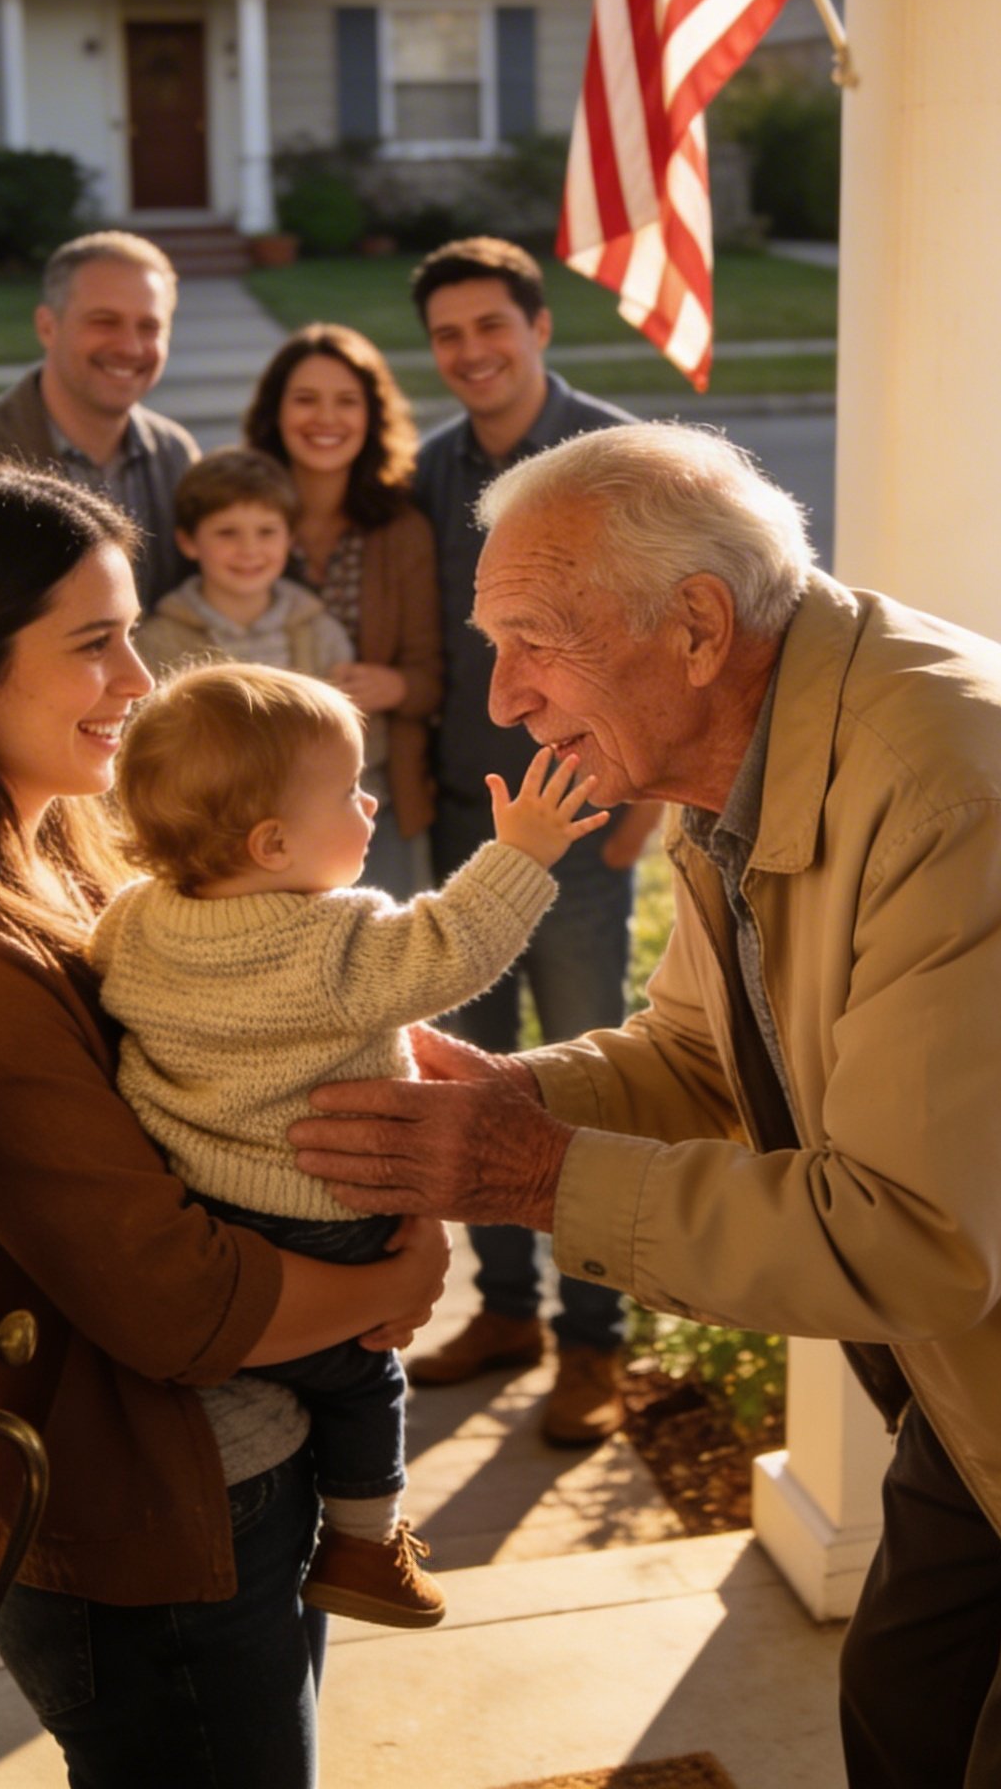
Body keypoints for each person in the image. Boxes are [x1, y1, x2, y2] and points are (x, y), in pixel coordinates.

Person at [289, 423, 1001, 1789]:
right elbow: (707, 1059)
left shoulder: (956, 789)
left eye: (536, 640)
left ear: (701, 627)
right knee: (901, 1716)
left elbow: (912, 1237)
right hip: (987, 1393)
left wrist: (530, 1175)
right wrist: (504, 1099)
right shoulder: (738, 752)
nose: (507, 697)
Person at [0, 459, 448, 1789]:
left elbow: (227, 1040)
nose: (138, 685)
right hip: (155, 1520)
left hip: (243, 1478)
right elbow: (174, 1301)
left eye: (132, 640)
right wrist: (396, 1273)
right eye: (94, 646)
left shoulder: (66, 856)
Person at [92, 660, 605, 1630]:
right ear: (273, 841)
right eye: (347, 790)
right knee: (364, 1372)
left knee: (299, 1363)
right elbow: (455, 945)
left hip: (203, 1199)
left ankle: (262, 1377)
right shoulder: (333, 944)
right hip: (326, 1209)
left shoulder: (132, 921)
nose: (368, 804)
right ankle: (366, 1544)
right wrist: (522, 853)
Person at [405, 238, 661, 1447]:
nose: (470, 352)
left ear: (540, 326)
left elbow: (671, 638)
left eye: (489, 326)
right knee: (470, 1078)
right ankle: (504, 1308)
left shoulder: (613, 463)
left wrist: (640, 815)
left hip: (584, 826)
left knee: (584, 1083)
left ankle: (592, 1344)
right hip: (468, 823)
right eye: (448, 334)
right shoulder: (432, 471)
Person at [243, 324, 441, 902]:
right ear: (275, 413)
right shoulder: (240, 516)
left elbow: (433, 678)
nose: (325, 418)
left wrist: (395, 685)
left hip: (374, 789)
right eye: (305, 399)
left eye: (346, 401)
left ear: (372, 417)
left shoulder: (402, 531)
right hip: (258, 794)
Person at [0, 231, 197, 607]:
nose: (130, 347)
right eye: (105, 321)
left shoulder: (174, 455)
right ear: (47, 327)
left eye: (149, 327)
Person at [133, 447, 352, 684]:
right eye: (227, 533)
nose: (249, 549)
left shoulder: (323, 634)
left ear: (290, 539)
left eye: (266, 532)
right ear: (188, 542)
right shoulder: (156, 644)